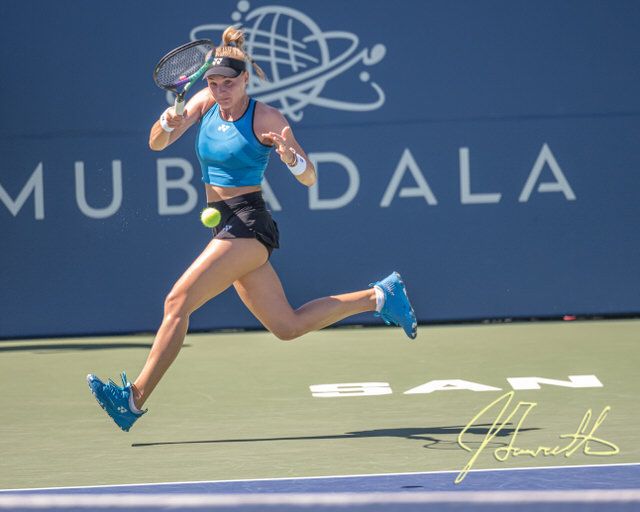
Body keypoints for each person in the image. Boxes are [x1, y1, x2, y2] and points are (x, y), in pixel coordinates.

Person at [87, 26, 417, 432]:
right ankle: (381, 296)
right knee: (287, 326)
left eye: (228, 83)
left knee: (177, 301)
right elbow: (157, 143)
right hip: (223, 226)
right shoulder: (204, 102)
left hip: (246, 225)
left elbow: (310, 177)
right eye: (213, 82)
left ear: (245, 79)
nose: (220, 90)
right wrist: (167, 122)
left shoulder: (266, 117)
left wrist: (292, 159)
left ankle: (133, 400)